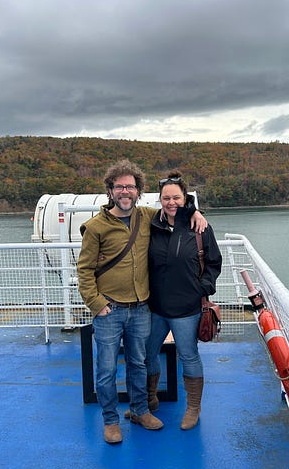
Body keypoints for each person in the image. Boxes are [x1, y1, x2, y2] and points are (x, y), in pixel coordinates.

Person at [77, 160, 206, 444]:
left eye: (131, 187)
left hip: (141, 308)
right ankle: (110, 420)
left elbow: (175, 210)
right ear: (110, 190)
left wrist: (196, 213)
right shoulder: (96, 227)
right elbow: (84, 270)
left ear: (138, 192)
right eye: (120, 186)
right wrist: (96, 303)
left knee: (139, 363)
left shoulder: (146, 217)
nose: (126, 192)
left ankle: (139, 410)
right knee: (107, 368)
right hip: (109, 309)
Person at [145, 170, 222, 430]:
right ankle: (150, 397)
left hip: (187, 308)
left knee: (189, 356)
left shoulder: (198, 226)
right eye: (166, 198)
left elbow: (213, 262)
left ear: (185, 197)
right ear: (160, 200)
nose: (171, 203)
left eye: (176, 197)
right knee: (148, 353)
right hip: (155, 306)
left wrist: (202, 288)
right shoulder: (151, 225)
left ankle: (193, 407)